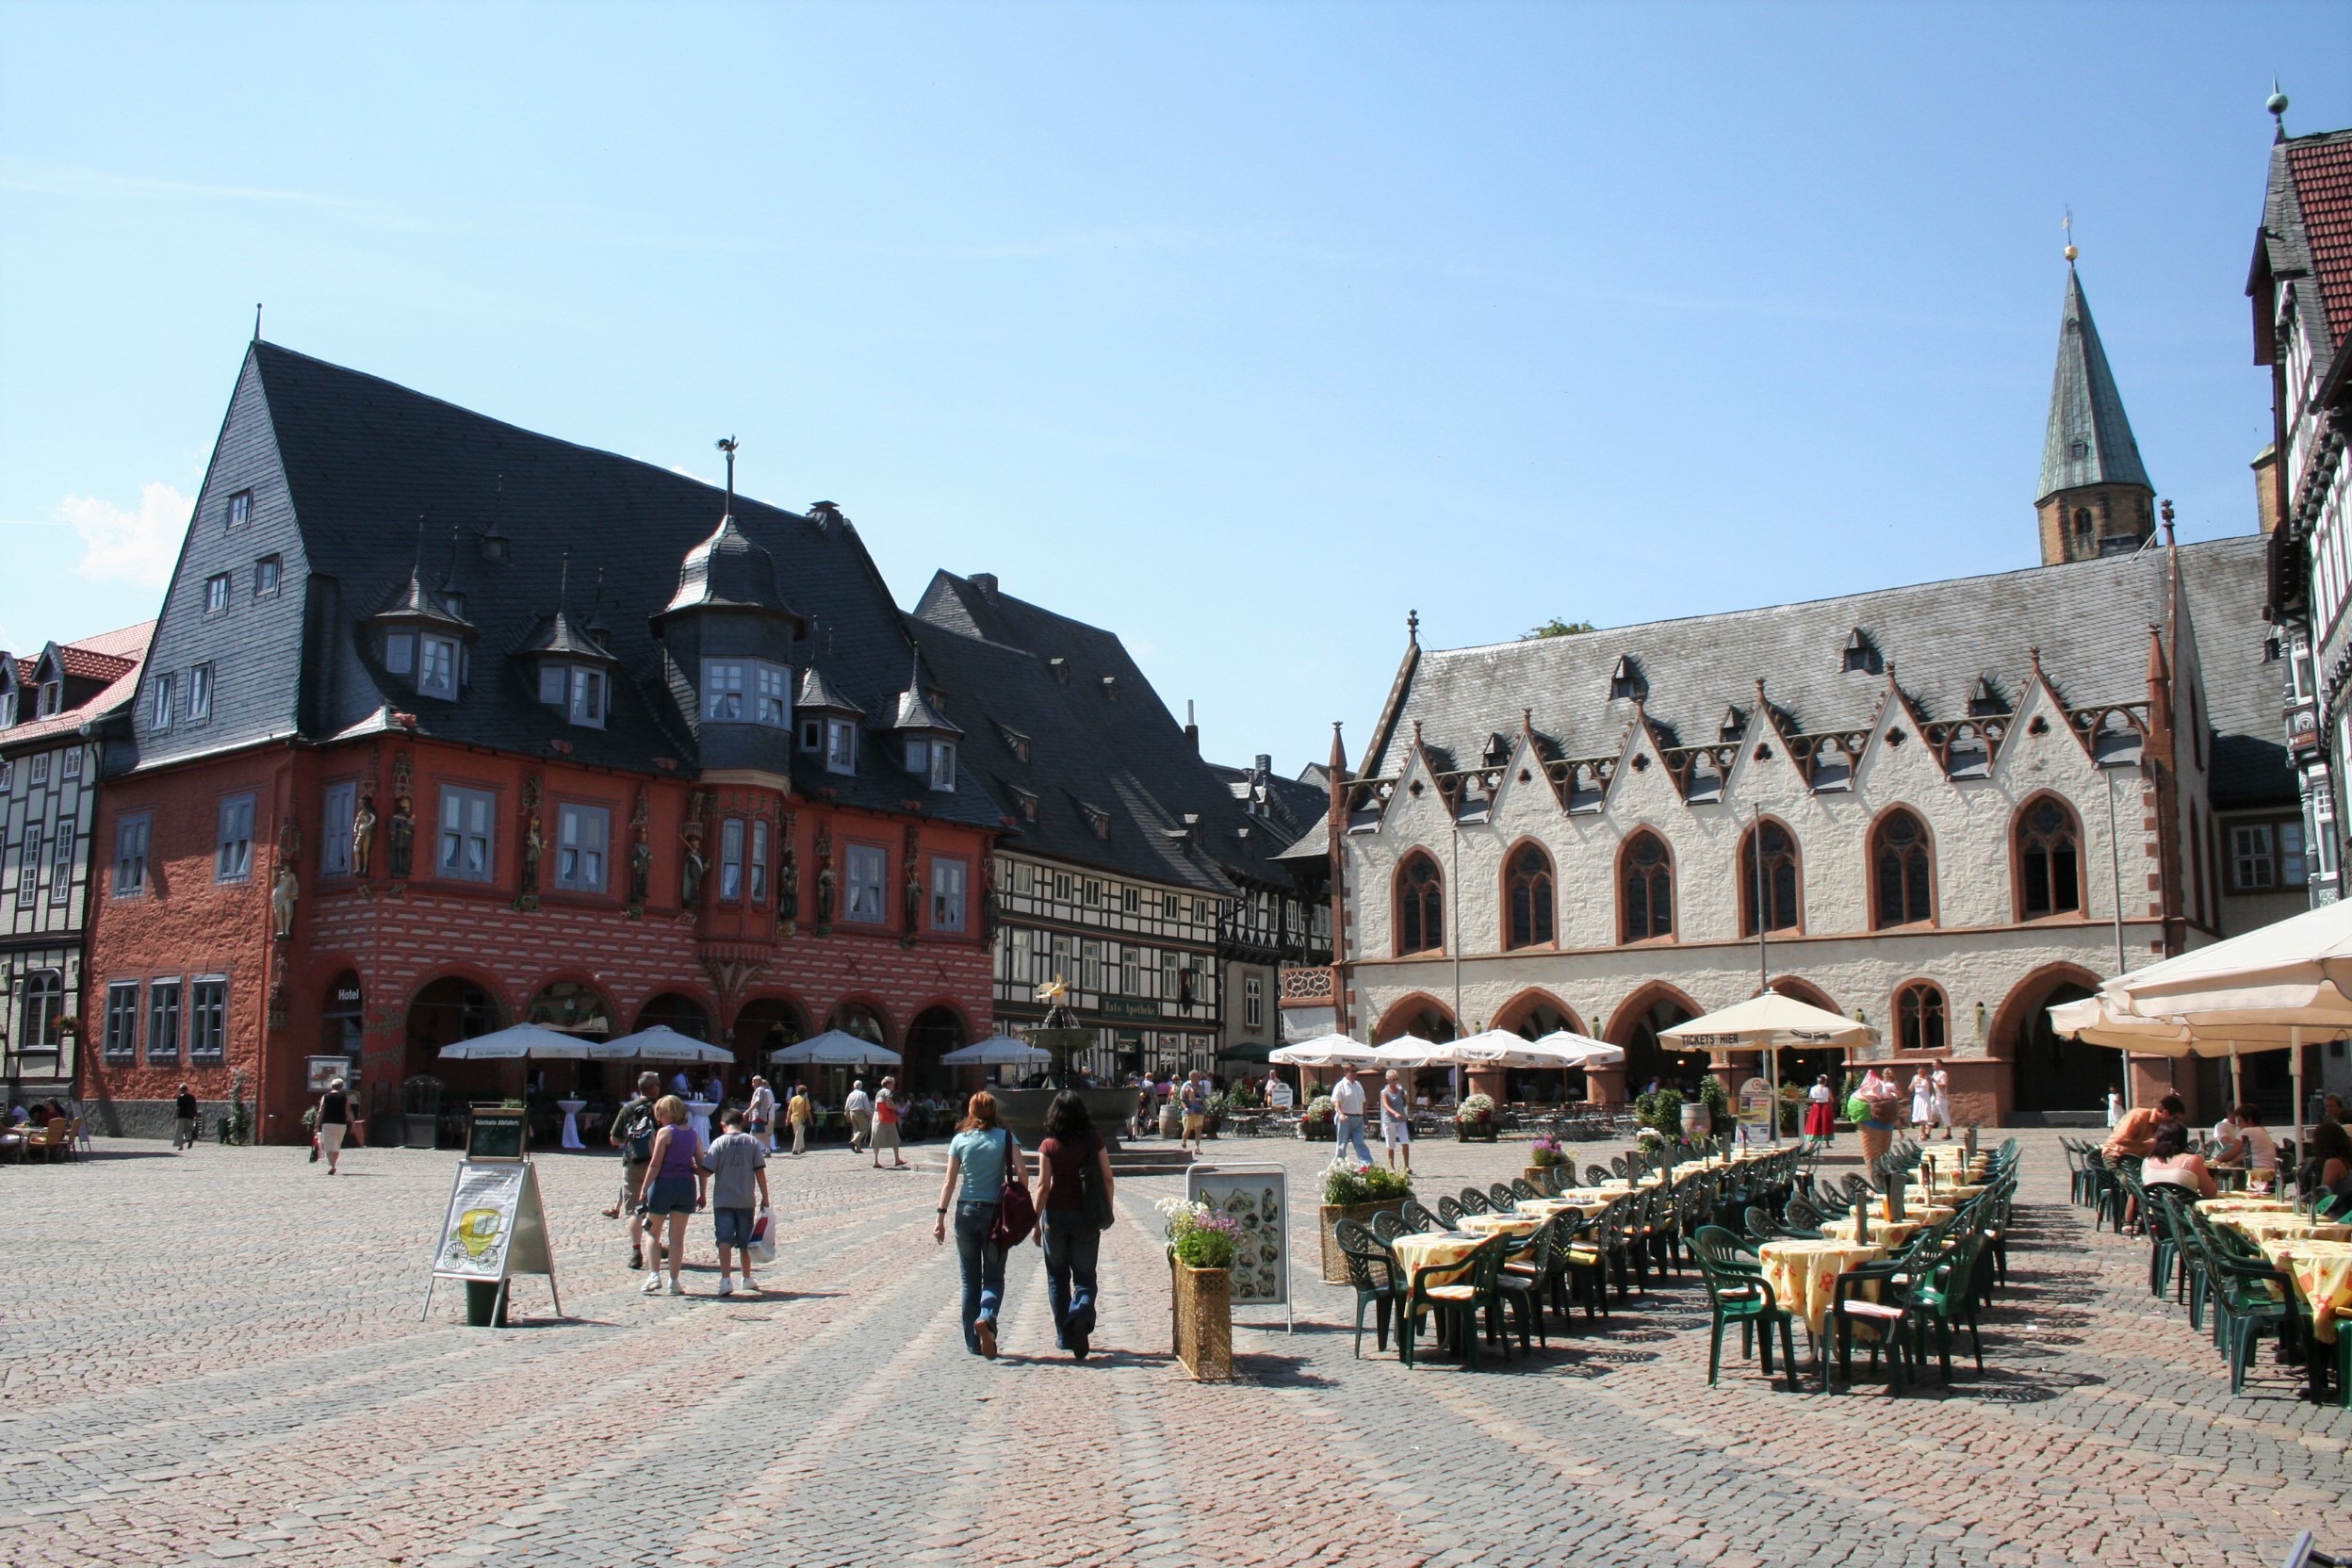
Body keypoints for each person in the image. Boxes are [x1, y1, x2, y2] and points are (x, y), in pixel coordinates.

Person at [933, 1090, 1029, 1358]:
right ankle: (986, 1316)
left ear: (971, 1112)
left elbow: (949, 1182)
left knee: (969, 1280)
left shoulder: (959, 1140)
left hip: (965, 1212)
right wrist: (1019, 1199)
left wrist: (940, 1217)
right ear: (994, 1110)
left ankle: (973, 1343)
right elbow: (1022, 1172)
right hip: (996, 1214)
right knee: (994, 1277)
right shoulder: (1006, 1137)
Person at [1033, 1089, 1114, 1359]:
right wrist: (1106, 1211)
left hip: (1055, 1217)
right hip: (1086, 1217)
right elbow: (1107, 1179)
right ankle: (1080, 1314)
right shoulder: (1094, 1140)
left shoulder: (1048, 1145)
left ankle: (1064, 1335)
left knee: (1057, 1278)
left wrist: (1035, 1222)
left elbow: (1043, 1185)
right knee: (1085, 1277)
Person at [636, 1096, 706, 1295]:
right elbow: (701, 1166)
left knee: (652, 1232)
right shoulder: (694, 1135)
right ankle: (674, 1281)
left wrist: (644, 1188)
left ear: (670, 1113)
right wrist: (702, 1192)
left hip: (663, 1185)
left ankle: (654, 1275)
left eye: (661, 1114)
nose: (659, 1119)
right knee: (677, 1238)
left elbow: (655, 1164)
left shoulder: (665, 1133)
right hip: (686, 1187)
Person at [697, 1108, 771, 1297]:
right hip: (746, 1200)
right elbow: (760, 1171)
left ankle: (725, 1279)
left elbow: (707, 1171)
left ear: (723, 1125)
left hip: (723, 1200)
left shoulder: (718, 1143)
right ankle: (746, 1277)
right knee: (745, 1241)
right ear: (743, 1124)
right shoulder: (751, 1142)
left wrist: (690, 1168)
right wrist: (765, 1196)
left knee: (724, 1239)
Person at [606, 1072, 662, 1258]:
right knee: (655, 1209)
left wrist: (631, 1140)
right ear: (654, 1087)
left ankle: (636, 1250)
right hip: (656, 1163)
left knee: (633, 1211)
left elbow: (614, 1139)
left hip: (632, 1162)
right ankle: (655, 1245)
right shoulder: (661, 1108)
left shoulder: (628, 1108)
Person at [2141, 1122, 2219, 1200]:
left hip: (2156, 1210)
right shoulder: (2191, 1161)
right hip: (2186, 1210)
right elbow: (2210, 1193)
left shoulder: (2146, 1162)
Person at [2211, 1104, 2278, 1187]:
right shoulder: (2261, 1131)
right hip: (2269, 1171)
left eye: (2240, 1121)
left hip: (2257, 1172)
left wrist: (2214, 1161)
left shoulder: (2247, 1131)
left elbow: (2230, 1152)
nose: (2238, 1125)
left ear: (2249, 1120)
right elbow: (2241, 1154)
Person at [2104, 1092, 2184, 1161]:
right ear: (2165, 1113)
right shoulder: (2138, 1115)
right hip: (2117, 1156)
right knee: (2131, 1179)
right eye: (2175, 1118)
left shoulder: (2162, 1124)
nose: (2175, 1121)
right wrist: (2144, 1144)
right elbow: (2119, 1140)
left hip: (2138, 1158)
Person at [1331, 1065, 1373, 1165]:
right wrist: (1341, 1114)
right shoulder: (1340, 1085)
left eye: (1355, 1071)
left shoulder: (1358, 1085)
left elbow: (1363, 1102)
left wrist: (1366, 1118)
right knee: (1342, 1143)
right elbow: (1336, 1101)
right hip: (1345, 1118)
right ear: (1346, 1072)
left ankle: (1367, 1164)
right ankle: (1339, 1164)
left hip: (1358, 1118)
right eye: (1352, 1071)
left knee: (1359, 1142)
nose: (1355, 1073)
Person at [315, 1077, 355, 1175]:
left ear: (332, 1086)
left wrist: (316, 1125)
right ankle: (334, 1164)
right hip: (341, 1124)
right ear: (342, 1087)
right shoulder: (345, 1097)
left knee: (328, 1146)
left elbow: (321, 1111)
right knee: (337, 1145)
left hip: (327, 1123)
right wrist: (353, 1123)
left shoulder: (326, 1096)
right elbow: (348, 1111)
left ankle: (332, 1165)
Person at [1379, 1069, 1413, 1173]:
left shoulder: (1400, 1091)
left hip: (1401, 1120)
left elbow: (1406, 1103)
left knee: (1405, 1141)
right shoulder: (1384, 1092)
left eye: (1396, 1079)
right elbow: (1386, 1105)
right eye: (1393, 1079)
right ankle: (1391, 1166)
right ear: (1388, 1079)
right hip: (1389, 1120)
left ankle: (1406, 1166)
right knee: (1390, 1143)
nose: (1395, 1081)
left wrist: (1405, 1098)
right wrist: (1395, 1113)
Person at [872, 1076, 908, 1169]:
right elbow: (888, 1104)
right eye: (893, 1083)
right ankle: (897, 1159)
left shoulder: (879, 1092)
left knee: (877, 1139)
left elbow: (878, 1104)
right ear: (888, 1084)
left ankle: (875, 1160)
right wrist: (896, 1107)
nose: (894, 1085)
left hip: (877, 1117)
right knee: (895, 1138)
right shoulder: (888, 1092)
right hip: (886, 1118)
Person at [1179, 1071, 1209, 1154]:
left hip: (1199, 1110)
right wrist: (1185, 1108)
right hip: (1189, 1111)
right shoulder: (1186, 1087)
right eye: (1197, 1077)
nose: (1199, 1078)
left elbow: (1203, 1099)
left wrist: (1204, 1108)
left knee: (1198, 1128)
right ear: (1192, 1078)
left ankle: (1197, 1147)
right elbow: (1182, 1100)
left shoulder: (1200, 1087)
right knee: (1187, 1130)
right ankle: (1184, 1141)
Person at [745, 1076, 776, 1152]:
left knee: (756, 1133)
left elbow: (757, 1101)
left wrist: (747, 1111)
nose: (752, 1083)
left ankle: (751, 1150)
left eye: (754, 1081)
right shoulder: (762, 1090)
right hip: (759, 1115)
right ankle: (766, 1149)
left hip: (758, 1115)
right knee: (758, 1133)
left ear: (759, 1082)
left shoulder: (759, 1090)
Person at [1804, 1075, 1836, 1144]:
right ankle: (1827, 1142)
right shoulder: (1827, 1089)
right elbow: (1832, 1100)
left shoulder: (1813, 1088)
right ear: (1825, 1082)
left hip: (1816, 1106)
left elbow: (1810, 1098)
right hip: (1825, 1106)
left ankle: (1811, 1141)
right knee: (1825, 1123)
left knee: (1814, 1123)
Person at [844, 1080, 873, 1154]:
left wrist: (846, 1114)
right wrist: (869, 1113)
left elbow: (847, 1105)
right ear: (861, 1086)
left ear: (854, 1086)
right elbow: (866, 1105)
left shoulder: (851, 1094)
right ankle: (853, 1142)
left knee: (856, 1130)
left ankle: (858, 1148)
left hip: (852, 1112)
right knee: (863, 1129)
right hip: (860, 1112)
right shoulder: (863, 1094)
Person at [787, 1083, 813, 1156]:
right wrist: (811, 1120)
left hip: (793, 1118)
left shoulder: (793, 1099)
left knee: (798, 1134)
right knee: (799, 1134)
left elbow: (789, 1110)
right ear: (805, 1092)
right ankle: (795, 1149)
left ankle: (802, 1147)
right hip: (801, 1119)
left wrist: (787, 1118)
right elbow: (808, 1111)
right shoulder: (805, 1099)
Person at [172, 1084, 200, 1152]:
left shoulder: (180, 1098)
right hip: (190, 1116)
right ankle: (189, 1139)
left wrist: (174, 1117)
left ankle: (181, 1146)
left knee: (180, 1131)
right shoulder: (192, 1097)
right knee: (189, 1130)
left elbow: (178, 1108)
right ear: (187, 1089)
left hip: (181, 1116)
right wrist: (195, 1115)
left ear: (180, 1090)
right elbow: (195, 1107)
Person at [1930, 1065, 1952, 1138]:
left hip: (1941, 1098)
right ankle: (1928, 1132)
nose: (1933, 1066)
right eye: (1932, 1064)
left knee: (1944, 1115)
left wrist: (1935, 1081)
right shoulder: (1935, 1073)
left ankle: (1948, 1133)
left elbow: (1943, 1085)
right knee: (1931, 1113)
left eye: (1934, 1064)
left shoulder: (1943, 1074)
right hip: (1934, 1097)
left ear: (1939, 1065)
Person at [1909, 1070, 1934, 1135]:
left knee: (1925, 1113)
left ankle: (1922, 1132)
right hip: (1918, 1097)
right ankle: (1922, 1132)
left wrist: (1932, 1096)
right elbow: (1910, 1089)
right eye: (1920, 1070)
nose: (1921, 1071)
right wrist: (1914, 1083)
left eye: (1922, 1070)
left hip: (1926, 1097)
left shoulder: (1927, 1077)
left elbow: (1931, 1088)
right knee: (1919, 1114)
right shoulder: (1915, 1077)